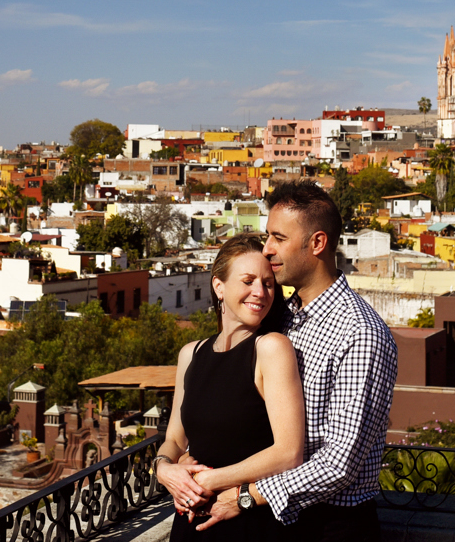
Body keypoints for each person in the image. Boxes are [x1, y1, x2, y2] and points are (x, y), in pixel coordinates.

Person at [196, 180, 398, 542]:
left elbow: (339, 463)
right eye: (267, 237)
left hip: (332, 525)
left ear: (317, 243)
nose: (268, 250)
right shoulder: (281, 317)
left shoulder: (360, 333)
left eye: (279, 238)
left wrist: (246, 497)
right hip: (272, 522)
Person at [153, 233, 305, 541]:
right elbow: (174, 439)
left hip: (248, 522)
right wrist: (164, 469)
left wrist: (209, 480)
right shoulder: (190, 354)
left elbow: (288, 453)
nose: (260, 292)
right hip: (189, 523)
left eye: (268, 283)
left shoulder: (271, 348)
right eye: (248, 281)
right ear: (218, 286)